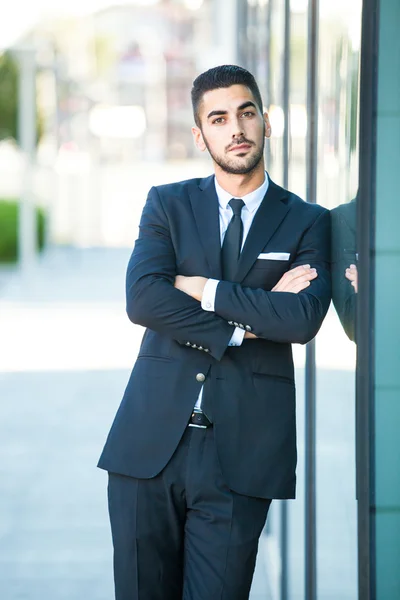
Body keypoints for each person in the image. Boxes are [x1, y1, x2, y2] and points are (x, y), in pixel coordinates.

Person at [98, 65, 331, 600]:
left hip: (242, 456)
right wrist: (243, 327)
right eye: (219, 118)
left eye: (246, 113)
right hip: (148, 446)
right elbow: (145, 300)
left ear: (266, 122)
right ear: (200, 135)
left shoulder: (306, 221)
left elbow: (301, 320)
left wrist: (203, 288)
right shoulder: (168, 204)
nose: (236, 129)